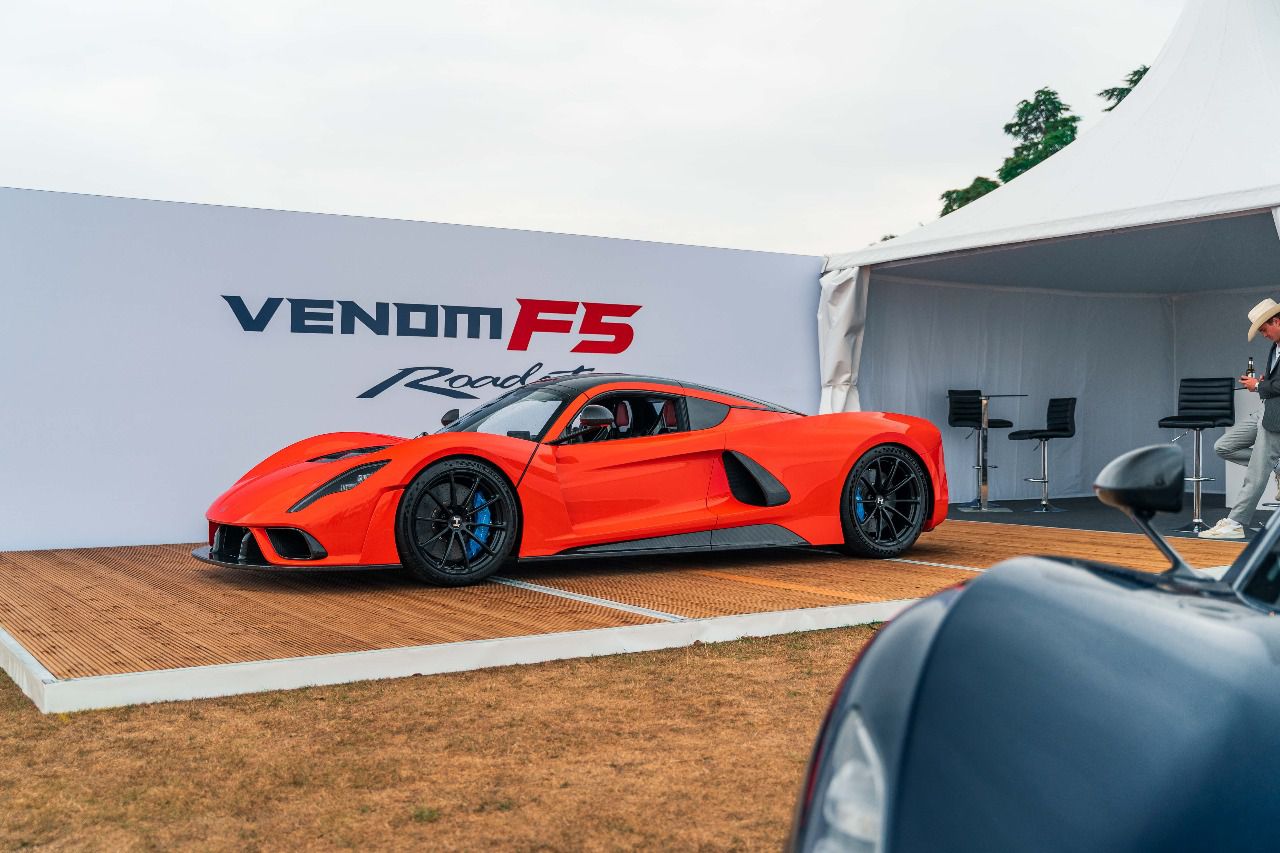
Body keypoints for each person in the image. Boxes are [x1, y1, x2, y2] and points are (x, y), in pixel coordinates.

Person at [1201, 298, 1280, 539]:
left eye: (1264, 329)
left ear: (1276, 321)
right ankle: (1276, 465)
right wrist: (1264, 383)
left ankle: (1235, 523)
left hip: (1276, 417)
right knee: (1224, 446)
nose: (1263, 335)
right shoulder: (1274, 347)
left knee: (1256, 470)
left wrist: (1258, 385)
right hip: (1267, 410)